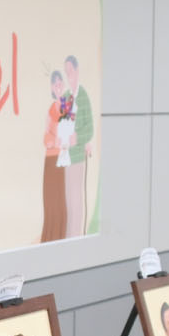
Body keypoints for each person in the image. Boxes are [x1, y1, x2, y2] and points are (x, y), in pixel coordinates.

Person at [61, 56, 95, 239]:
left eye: (71, 71)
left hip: (78, 157)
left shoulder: (83, 96)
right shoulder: (65, 97)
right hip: (66, 155)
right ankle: (69, 238)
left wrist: (78, 138)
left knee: (77, 199)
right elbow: (62, 123)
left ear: (77, 70)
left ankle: (76, 237)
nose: (69, 75)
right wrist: (64, 136)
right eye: (66, 72)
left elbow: (89, 128)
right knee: (68, 200)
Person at [38, 69, 71, 241]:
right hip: (51, 158)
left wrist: (63, 141)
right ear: (52, 87)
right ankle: (49, 237)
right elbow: (46, 135)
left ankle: (60, 237)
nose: (58, 86)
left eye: (60, 83)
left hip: (63, 159)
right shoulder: (51, 108)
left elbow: (71, 130)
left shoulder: (67, 106)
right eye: (55, 84)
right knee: (50, 200)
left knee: (60, 199)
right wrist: (52, 141)